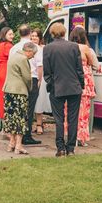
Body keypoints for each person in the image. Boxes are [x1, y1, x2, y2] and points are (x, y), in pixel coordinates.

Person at [43, 22, 84, 157]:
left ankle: (60, 148)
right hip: (73, 86)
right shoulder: (73, 47)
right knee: (73, 118)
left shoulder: (48, 48)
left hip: (57, 87)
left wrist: (50, 84)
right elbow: (79, 69)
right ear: (64, 33)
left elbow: (47, 71)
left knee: (59, 119)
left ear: (52, 33)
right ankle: (71, 149)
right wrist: (81, 84)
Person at [3, 42, 38, 154]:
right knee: (21, 119)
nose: (33, 56)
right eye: (33, 53)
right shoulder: (23, 59)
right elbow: (27, 78)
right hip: (19, 91)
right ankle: (19, 145)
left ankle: (11, 143)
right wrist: (29, 89)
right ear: (29, 51)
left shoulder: (13, 56)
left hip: (8, 90)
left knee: (11, 118)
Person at [10, 24, 41, 145]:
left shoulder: (14, 48)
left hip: (17, 80)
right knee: (29, 108)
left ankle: (16, 135)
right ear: (30, 33)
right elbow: (40, 67)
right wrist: (39, 81)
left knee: (18, 109)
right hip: (31, 78)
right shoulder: (35, 47)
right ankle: (26, 135)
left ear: (19, 33)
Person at [69, 26, 99, 146]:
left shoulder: (69, 47)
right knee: (84, 111)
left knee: (71, 110)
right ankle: (82, 138)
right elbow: (92, 62)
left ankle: (72, 136)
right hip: (85, 80)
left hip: (72, 79)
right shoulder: (85, 48)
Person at [32, 29, 51, 134]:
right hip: (31, 77)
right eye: (32, 36)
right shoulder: (28, 47)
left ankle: (39, 124)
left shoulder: (43, 49)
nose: (34, 38)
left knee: (39, 101)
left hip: (41, 77)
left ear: (40, 38)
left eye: (36, 36)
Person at [0, 27, 14, 121]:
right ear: (4, 34)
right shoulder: (8, 45)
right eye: (10, 34)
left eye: (12, 34)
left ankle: (2, 118)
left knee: (2, 96)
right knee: (7, 97)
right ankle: (6, 119)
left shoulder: (0, 45)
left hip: (0, 71)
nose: (12, 36)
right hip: (6, 71)